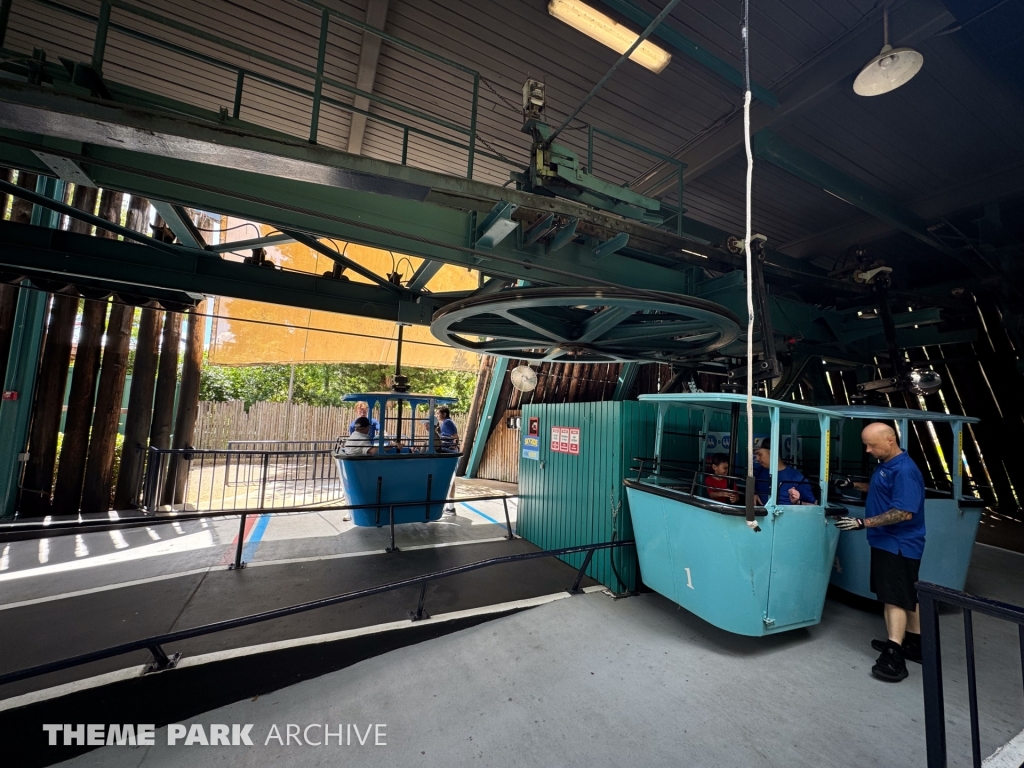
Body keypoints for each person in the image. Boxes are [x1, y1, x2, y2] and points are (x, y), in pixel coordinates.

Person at [834, 422, 926, 683]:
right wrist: (854, 484)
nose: (867, 450)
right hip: (890, 542)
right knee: (907, 593)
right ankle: (917, 645)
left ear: (890, 439)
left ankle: (894, 653)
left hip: (897, 543)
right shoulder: (888, 465)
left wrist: (864, 523)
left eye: (871, 445)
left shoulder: (905, 470)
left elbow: (903, 512)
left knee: (893, 598)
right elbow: (883, 489)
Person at [753, 438, 817, 505]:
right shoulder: (760, 471)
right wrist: (754, 493)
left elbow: (813, 506)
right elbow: (755, 488)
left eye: (759, 454)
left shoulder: (797, 478)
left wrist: (797, 502)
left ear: (773, 453)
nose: (757, 458)